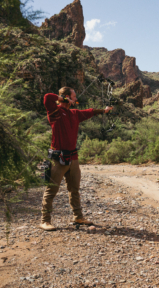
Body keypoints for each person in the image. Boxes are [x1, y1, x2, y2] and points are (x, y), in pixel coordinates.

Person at [40, 86, 113, 231]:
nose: (76, 99)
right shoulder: (54, 112)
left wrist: (103, 111)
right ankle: (45, 220)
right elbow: (47, 97)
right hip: (58, 158)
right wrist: (62, 99)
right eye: (73, 96)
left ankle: (78, 217)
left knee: (74, 189)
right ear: (66, 97)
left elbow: (89, 112)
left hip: (73, 158)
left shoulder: (74, 113)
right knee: (51, 190)